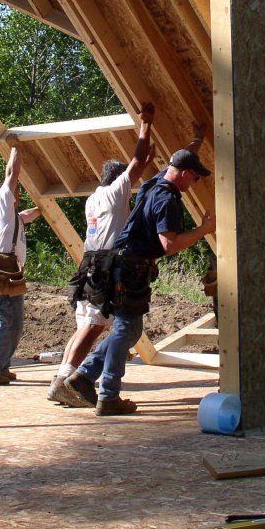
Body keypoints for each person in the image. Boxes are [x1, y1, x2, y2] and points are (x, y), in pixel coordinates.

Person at [63, 136, 215, 416]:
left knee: (130, 329)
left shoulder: (154, 182)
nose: (194, 184)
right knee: (124, 330)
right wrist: (203, 230)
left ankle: (84, 376)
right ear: (182, 174)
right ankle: (107, 395)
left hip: (123, 267)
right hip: (129, 270)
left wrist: (194, 142)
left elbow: (176, 159)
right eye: (194, 178)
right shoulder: (167, 198)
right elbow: (169, 244)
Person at [47, 102, 156, 405]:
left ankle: (61, 377)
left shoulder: (94, 198)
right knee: (94, 327)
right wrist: (145, 126)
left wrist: (145, 159)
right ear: (117, 178)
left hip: (89, 266)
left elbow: (136, 166)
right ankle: (69, 381)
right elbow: (134, 165)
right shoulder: (114, 192)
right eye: (125, 180)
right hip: (105, 268)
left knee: (85, 325)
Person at [0, 133, 41, 385]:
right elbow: (12, 174)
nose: (17, 195)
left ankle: (0, 366)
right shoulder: (1, 203)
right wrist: (15, 147)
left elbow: (29, 215)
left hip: (9, 275)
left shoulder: (12, 218)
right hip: (1, 273)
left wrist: (43, 206)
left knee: (13, 324)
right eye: (15, 194)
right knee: (7, 322)